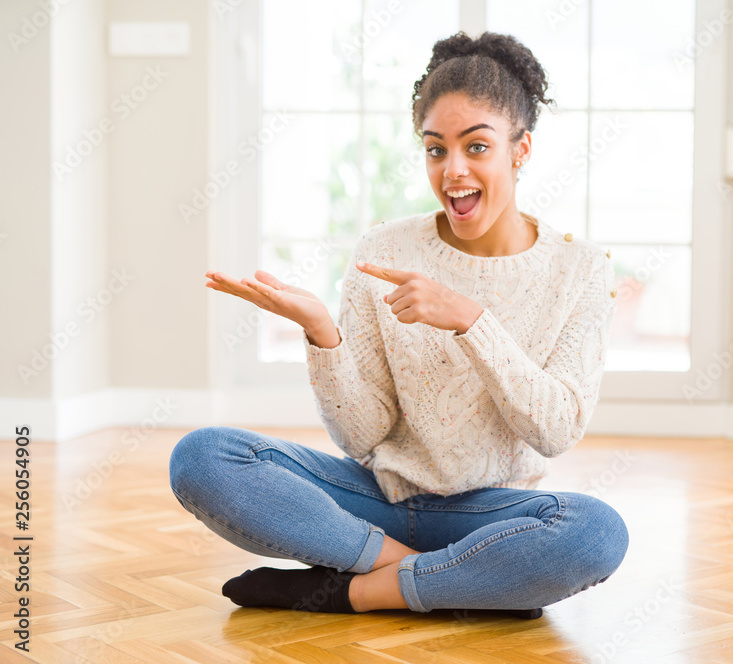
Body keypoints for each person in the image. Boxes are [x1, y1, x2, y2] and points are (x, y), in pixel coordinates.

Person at [169, 30, 628, 618]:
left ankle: (357, 590)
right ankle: (448, 578)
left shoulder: (580, 269)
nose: (453, 170)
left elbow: (556, 430)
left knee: (596, 533)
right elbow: (362, 437)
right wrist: (323, 335)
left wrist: (473, 322)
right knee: (204, 457)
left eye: (477, 147)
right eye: (436, 149)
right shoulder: (384, 251)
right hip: (377, 501)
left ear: (521, 149)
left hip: (493, 515)